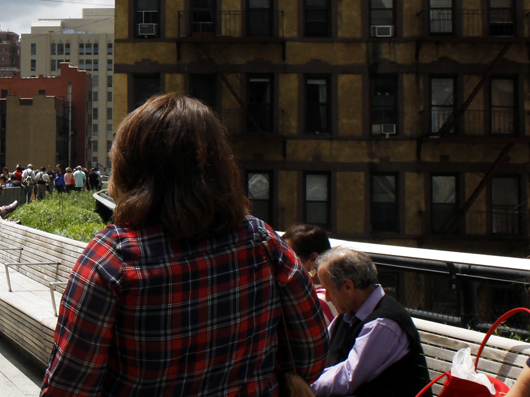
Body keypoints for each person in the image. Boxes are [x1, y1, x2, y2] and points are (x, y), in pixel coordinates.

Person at [41, 94, 328, 396]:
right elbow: (312, 356)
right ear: (218, 165)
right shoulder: (264, 241)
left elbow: (69, 387)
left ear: (128, 167)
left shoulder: (111, 258)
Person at [311, 247, 429, 397]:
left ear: (348, 286)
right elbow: (319, 351)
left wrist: (304, 389)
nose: (327, 298)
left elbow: (347, 378)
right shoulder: (347, 315)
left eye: (328, 289)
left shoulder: (382, 324)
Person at [284, 224, 338, 325]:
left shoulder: (318, 300)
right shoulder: (336, 292)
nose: (282, 261)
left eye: (288, 256)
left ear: (313, 259)